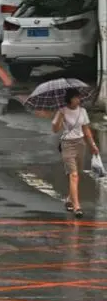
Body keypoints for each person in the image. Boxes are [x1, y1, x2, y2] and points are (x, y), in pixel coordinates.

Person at [52, 88, 99, 218]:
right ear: (70, 99)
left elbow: (86, 130)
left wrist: (93, 145)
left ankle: (69, 199)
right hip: (67, 145)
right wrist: (60, 116)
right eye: (76, 97)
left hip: (80, 144)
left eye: (79, 97)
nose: (78, 100)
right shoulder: (62, 111)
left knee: (77, 174)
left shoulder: (82, 111)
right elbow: (55, 130)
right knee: (73, 175)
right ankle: (77, 206)